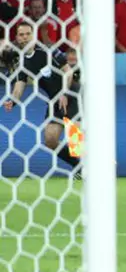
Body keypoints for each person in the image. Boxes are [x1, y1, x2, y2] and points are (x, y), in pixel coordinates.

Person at [2, 24, 80, 176]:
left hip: (72, 94)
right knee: (50, 140)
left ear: (34, 35)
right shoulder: (20, 62)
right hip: (55, 100)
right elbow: (19, 84)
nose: (25, 37)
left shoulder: (48, 50)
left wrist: (64, 93)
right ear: (17, 38)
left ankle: (101, 164)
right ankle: (79, 167)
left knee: (77, 142)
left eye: (28, 34)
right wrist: (13, 100)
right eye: (21, 35)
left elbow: (68, 72)